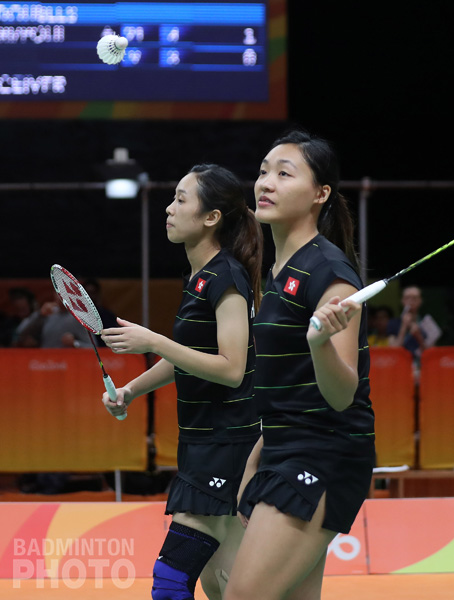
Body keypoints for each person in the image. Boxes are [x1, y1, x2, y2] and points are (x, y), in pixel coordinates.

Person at [224, 130, 375, 600]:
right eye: (263, 172)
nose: (266, 183)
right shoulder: (278, 273)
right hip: (284, 447)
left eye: (284, 174)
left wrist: (320, 343)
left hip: (326, 453)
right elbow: (288, 388)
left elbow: (342, 393)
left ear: (320, 194)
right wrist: (257, 458)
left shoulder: (330, 274)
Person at [100, 164, 263, 600]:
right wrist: (131, 390)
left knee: (170, 583)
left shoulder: (226, 277)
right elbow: (187, 356)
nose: (169, 209)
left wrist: (153, 340)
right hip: (202, 440)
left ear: (211, 217)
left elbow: (230, 367)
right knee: (225, 585)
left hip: (225, 444)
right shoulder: (200, 276)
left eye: (180, 199)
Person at [13, 291, 93, 348]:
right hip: (45, 362)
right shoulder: (47, 314)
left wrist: (75, 343)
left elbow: (93, 347)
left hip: (67, 363)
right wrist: (40, 314)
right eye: (59, 293)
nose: (61, 296)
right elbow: (20, 331)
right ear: (55, 294)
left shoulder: (78, 318)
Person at [389, 285, 441, 359]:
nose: (411, 301)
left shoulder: (428, 323)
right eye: (407, 298)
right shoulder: (393, 323)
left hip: (421, 364)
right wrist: (404, 326)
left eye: (414, 298)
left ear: (420, 301)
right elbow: (393, 350)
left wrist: (419, 336)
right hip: (401, 363)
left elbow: (431, 354)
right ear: (402, 300)